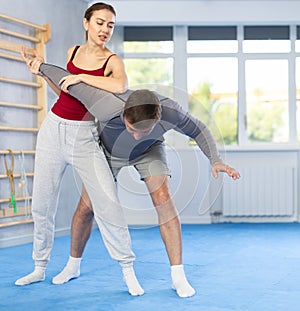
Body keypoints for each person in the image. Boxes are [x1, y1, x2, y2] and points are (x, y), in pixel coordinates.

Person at [36, 62, 241, 298]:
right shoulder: (107, 106)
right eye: (131, 129)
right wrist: (40, 65)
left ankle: (178, 275)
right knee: (87, 208)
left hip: (150, 150)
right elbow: (69, 82)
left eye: (142, 130)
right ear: (124, 115)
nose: (135, 135)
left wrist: (215, 160)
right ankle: (73, 265)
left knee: (163, 197)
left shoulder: (171, 111)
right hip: (109, 152)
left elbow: (199, 129)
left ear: (159, 118)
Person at [15, 2, 144, 296]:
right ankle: (39, 266)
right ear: (86, 23)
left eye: (110, 25)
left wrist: (82, 76)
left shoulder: (112, 61)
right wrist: (42, 72)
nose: (105, 30)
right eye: (100, 23)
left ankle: (127, 270)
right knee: (42, 204)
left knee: (108, 201)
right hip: (52, 129)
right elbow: (66, 91)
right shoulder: (73, 52)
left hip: (83, 136)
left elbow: (121, 85)